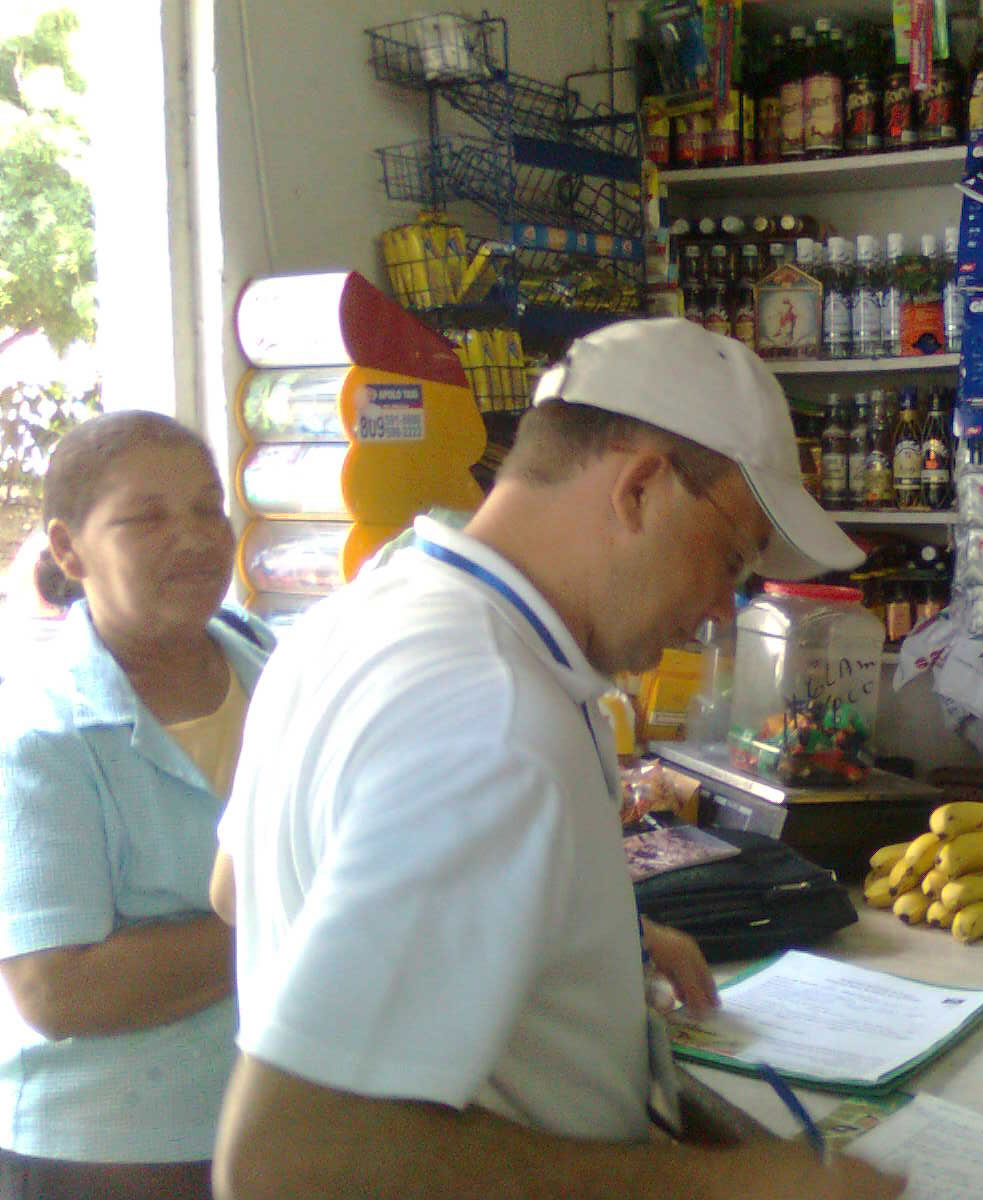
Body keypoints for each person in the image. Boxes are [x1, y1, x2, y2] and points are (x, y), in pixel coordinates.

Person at [211, 319, 905, 1200]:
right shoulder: (493, 717)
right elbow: (285, 1161)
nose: (718, 612)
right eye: (729, 560)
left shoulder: (358, 616)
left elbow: (240, 889)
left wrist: (571, 939)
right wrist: (728, 1189)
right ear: (641, 488)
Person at [0, 411, 273, 1199]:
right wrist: (304, 915)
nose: (193, 538)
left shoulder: (277, 671)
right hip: (107, 1157)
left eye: (207, 508)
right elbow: (58, 990)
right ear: (68, 550)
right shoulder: (41, 733)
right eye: (146, 518)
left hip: (272, 1130)